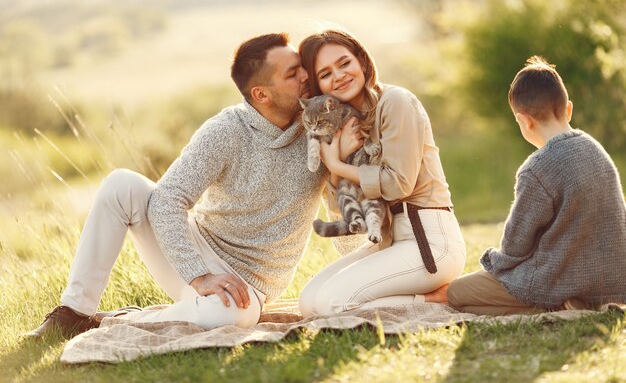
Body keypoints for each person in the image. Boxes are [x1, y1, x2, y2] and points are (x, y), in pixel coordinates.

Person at [24, 32, 336, 339]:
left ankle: (118, 321)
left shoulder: (321, 129)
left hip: (250, 284)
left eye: (302, 67)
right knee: (121, 184)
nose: (306, 76)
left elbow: (342, 202)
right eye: (293, 73)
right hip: (199, 251)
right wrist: (198, 275)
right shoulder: (225, 131)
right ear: (261, 94)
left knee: (230, 316)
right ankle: (73, 313)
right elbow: (167, 199)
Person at [297, 29, 466, 317]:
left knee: (330, 304)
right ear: (319, 87)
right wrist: (337, 157)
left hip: (429, 240)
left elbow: (398, 184)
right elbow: (341, 209)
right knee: (310, 303)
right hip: (389, 239)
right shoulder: (341, 124)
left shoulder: (396, 102)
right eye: (325, 74)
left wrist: (337, 165)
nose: (338, 76)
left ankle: (438, 298)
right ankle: (417, 295)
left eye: (344, 63)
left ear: (362, 61)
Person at [446, 56, 626, 315]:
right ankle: (581, 302)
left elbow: (514, 248)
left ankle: (558, 305)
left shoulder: (538, 167)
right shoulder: (596, 150)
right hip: (606, 281)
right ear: (569, 109)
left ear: (525, 121)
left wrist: (491, 262)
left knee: (457, 293)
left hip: (553, 280)